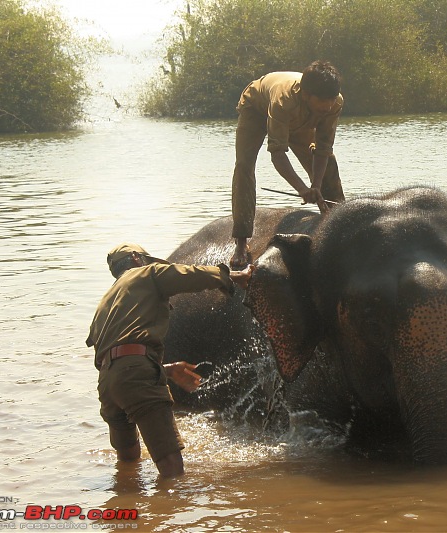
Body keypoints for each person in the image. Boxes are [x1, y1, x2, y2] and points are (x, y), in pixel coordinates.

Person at [86, 243, 253, 478]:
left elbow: (116, 357)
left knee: (128, 461)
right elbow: (188, 274)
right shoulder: (145, 273)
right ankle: (168, 510)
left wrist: (165, 369)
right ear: (136, 258)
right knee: (171, 466)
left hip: (107, 383)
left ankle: (125, 505)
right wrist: (234, 277)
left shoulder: (106, 300)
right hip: (134, 374)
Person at [230, 60, 346, 269]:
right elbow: (278, 155)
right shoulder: (283, 101)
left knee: (329, 163)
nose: (328, 106)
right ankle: (240, 241)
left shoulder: (334, 102)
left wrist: (316, 186)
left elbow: (322, 150)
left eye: (331, 100)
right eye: (322, 100)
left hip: (300, 119)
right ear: (306, 94)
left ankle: (338, 223)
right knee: (244, 167)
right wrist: (302, 189)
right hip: (257, 109)